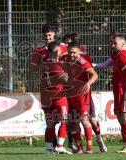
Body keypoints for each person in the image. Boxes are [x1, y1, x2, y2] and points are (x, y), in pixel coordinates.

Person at [30, 25, 71, 154]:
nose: (48, 37)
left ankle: (52, 148)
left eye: (50, 35)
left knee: (52, 121)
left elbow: (71, 60)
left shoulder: (63, 47)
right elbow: (32, 68)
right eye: (46, 35)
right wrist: (42, 66)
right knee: (60, 119)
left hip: (58, 89)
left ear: (54, 35)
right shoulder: (38, 50)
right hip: (52, 89)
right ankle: (58, 146)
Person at [64, 42, 98, 154]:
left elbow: (94, 75)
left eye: (74, 52)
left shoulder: (82, 61)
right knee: (73, 122)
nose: (72, 54)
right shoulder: (66, 59)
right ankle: (79, 149)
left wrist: (88, 83)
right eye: (70, 52)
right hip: (70, 95)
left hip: (82, 96)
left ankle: (89, 148)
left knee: (84, 120)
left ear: (79, 52)